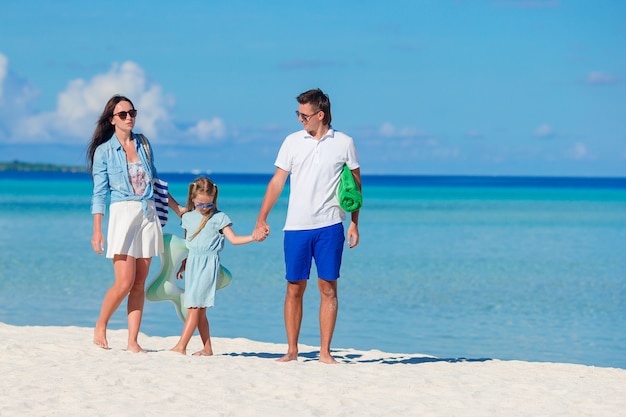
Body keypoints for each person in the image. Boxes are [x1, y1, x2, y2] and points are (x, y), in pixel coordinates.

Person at [252, 88, 361, 364]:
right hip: (296, 226)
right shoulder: (292, 141)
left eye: (304, 114)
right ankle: (292, 350)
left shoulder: (345, 143)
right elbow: (277, 181)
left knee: (328, 287)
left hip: (330, 226)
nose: (300, 119)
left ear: (320, 115)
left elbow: (355, 187)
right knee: (294, 287)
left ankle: (325, 352)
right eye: (298, 114)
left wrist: (354, 224)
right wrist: (262, 217)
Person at [88, 94, 184, 352]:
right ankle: (101, 325)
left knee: (139, 282)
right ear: (112, 120)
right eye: (123, 114)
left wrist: (178, 209)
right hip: (122, 214)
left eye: (132, 113)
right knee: (124, 282)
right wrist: (97, 229)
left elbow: (154, 181)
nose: (129, 117)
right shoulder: (104, 151)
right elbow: (99, 193)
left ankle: (132, 341)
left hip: (148, 212)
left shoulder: (143, 143)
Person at [171, 177, 258, 356]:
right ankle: (207, 348)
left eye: (208, 205)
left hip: (208, 266)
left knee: (194, 307)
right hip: (193, 264)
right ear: (193, 198)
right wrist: (184, 264)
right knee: (200, 310)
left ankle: (181, 346)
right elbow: (191, 243)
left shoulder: (220, 218)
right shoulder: (187, 217)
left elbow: (234, 239)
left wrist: (253, 237)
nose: (204, 208)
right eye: (200, 204)